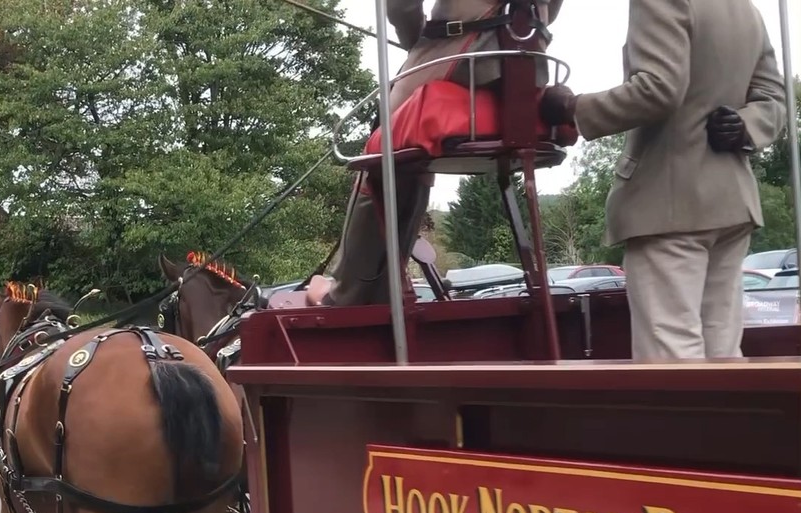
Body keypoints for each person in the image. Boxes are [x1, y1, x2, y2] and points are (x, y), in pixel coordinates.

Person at [538, 0, 787, 360]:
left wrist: (572, 108)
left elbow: (658, 89)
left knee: (671, 355)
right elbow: (773, 99)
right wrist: (745, 125)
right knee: (723, 349)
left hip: (667, 203)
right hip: (733, 202)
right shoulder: (745, 8)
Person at [308, 0, 565, 307]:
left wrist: (418, 41)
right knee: (410, 142)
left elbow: (402, 7)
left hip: (465, 54)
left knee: (383, 143)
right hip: (531, 64)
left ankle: (348, 292)